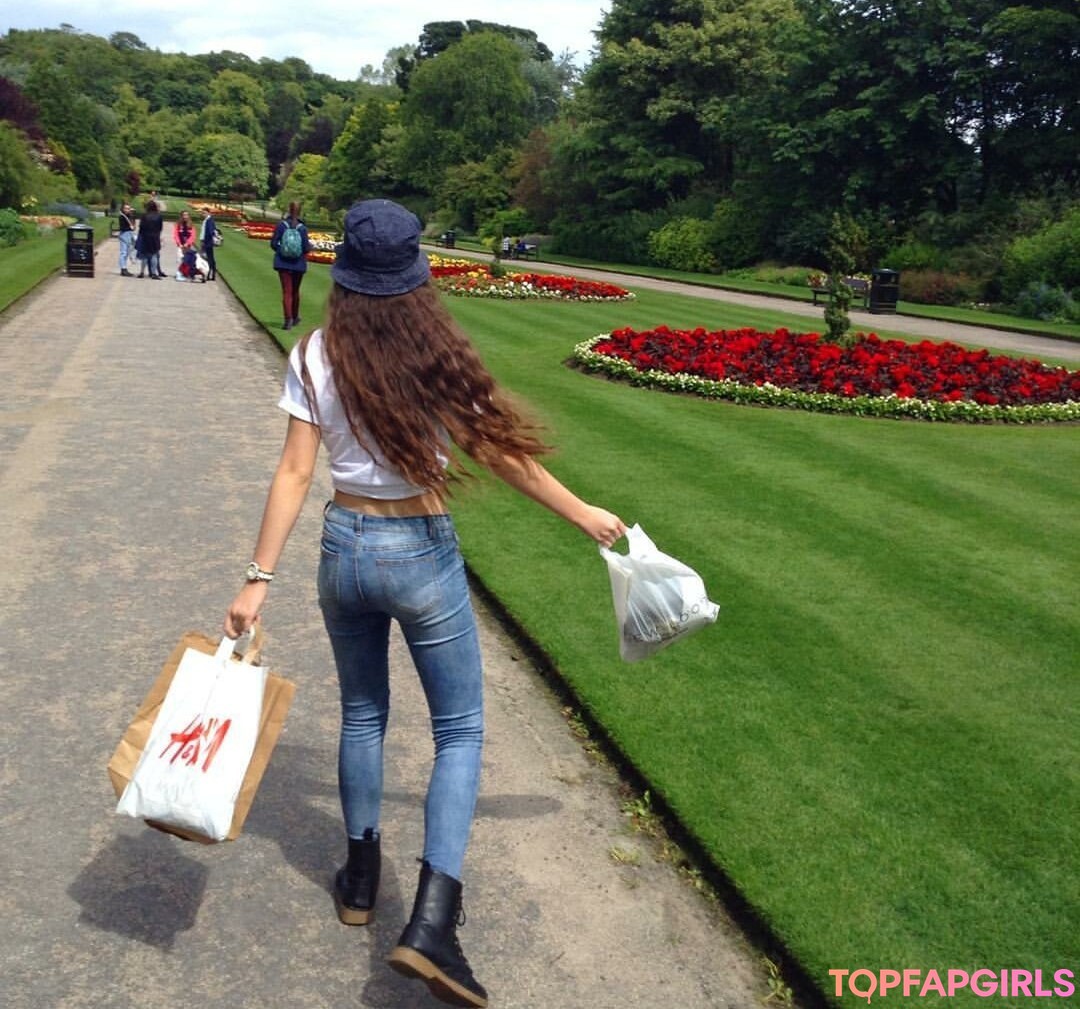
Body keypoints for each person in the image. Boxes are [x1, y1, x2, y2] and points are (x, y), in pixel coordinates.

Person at [224, 198, 625, 1009]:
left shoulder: (315, 353)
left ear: (345, 274)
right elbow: (496, 450)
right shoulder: (434, 351)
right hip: (419, 547)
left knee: (363, 714)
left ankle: (359, 881)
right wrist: (581, 512)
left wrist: (257, 577)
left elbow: (295, 471)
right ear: (415, 277)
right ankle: (434, 922)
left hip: (344, 546)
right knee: (460, 729)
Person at [270, 201, 312, 330]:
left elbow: (273, 243)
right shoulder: (302, 228)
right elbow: (306, 248)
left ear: (289, 210)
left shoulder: (281, 225)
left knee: (287, 292)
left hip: (283, 263)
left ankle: (288, 319)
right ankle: (295, 316)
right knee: (295, 291)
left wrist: (283, 250)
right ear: (300, 211)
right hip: (298, 264)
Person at [137, 199, 164, 279]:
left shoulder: (144, 215)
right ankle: (153, 273)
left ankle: (142, 272)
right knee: (154, 255)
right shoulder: (159, 216)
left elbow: (141, 227)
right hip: (155, 237)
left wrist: (141, 236)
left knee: (145, 255)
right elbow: (160, 228)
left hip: (145, 236)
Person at [172, 210, 196, 277]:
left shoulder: (191, 225)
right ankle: (180, 272)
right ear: (181, 216)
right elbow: (176, 235)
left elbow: (193, 236)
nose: (185, 217)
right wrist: (179, 243)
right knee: (180, 258)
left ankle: (186, 272)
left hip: (188, 245)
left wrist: (187, 243)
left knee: (187, 259)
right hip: (180, 244)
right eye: (184, 215)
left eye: (186, 215)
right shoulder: (178, 224)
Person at [199, 207, 218, 280]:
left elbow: (210, 232)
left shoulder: (209, 220)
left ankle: (208, 274)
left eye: (204, 213)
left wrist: (204, 241)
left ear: (208, 213)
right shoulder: (208, 220)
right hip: (208, 241)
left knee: (207, 258)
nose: (203, 214)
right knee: (210, 258)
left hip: (207, 242)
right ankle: (212, 274)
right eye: (202, 213)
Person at [117, 203, 136, 276]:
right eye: (126, 208)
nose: (127, 210)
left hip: (129, 235)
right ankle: (123, 269)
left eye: (128, 208)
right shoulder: (122, 217)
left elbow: (133, 223)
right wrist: (130, 227)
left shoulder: (129, 216)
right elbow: (122, 228)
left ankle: (124, 268)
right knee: (123, 253)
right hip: (124, 235)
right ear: (123, 209)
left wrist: (133, 215)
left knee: (127, 252)